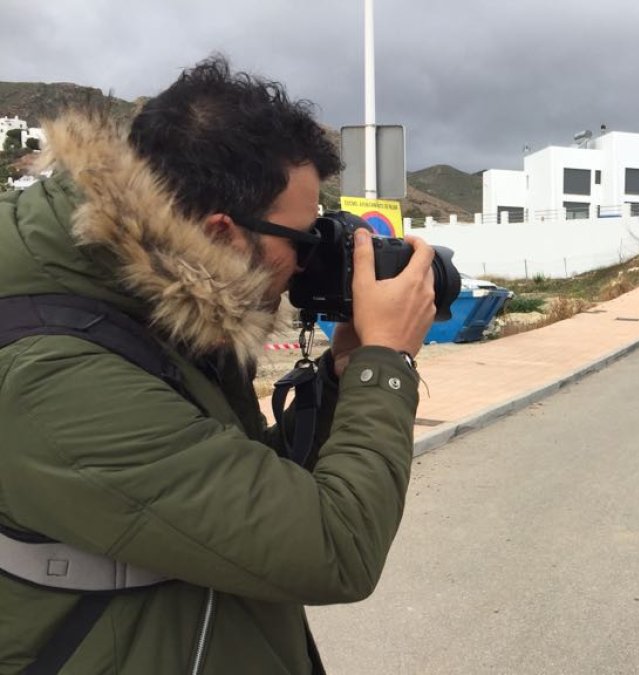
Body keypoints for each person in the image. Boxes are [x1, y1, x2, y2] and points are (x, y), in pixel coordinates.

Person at [0, 56, 436, 673]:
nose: (311, 264)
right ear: (224, 232)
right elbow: (336, 548)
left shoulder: (146, 297)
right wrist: (386, 363)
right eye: (305, 241)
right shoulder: (52, 377)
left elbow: (240, 486)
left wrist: (343, 374)